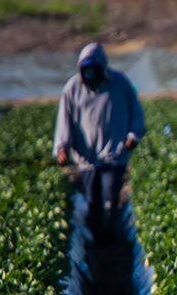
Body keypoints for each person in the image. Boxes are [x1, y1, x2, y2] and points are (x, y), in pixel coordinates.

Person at [53, 42, 145, 240]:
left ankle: (111, 238)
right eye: (86, 72)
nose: (90, 77)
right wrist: (62, 147)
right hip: (86, 158)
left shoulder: (120, 84)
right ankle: (97, 240)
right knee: (92, 201)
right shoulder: (72, 89)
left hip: (115, 154)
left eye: (94, 71)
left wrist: (133, 136)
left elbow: (136, 113)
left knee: (110, 197)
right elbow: (64, 120)